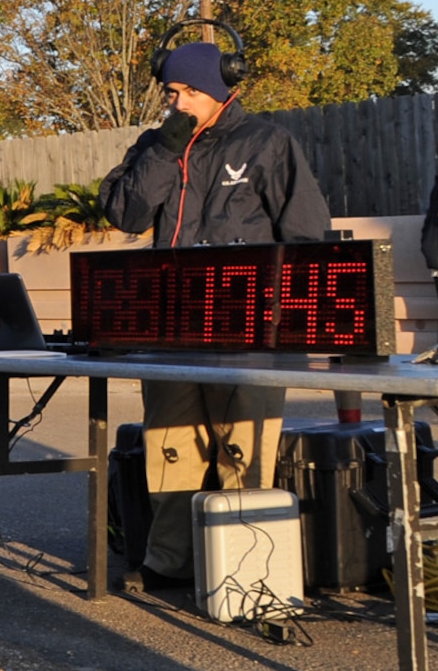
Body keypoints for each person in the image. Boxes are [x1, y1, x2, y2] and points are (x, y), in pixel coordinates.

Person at [99, 40, 331, 590]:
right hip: (172, 325)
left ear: (219, 89)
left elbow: (306, 233)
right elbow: (126, 215)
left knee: (242, 446)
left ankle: (245, 571)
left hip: (246, 326)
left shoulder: (268, 142)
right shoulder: (158, 144)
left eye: (188, 93)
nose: (177, 102)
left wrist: (290, 317)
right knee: (170, 444)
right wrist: (163, 150)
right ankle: (169, 562)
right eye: (171, 93)